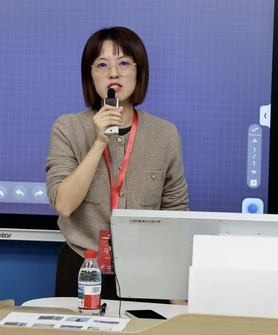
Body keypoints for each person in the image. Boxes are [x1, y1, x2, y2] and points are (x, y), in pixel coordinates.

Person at [45, 26, 189, 302]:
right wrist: (99, 142)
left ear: (138, 72)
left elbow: (176, 215)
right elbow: (63, 204)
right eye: (102, 64)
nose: (113, 73)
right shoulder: (68, 128)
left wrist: (176, 295)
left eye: (123, 63)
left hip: (147, 269)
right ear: (90, 75)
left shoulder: (165, 134)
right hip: (83, 266)